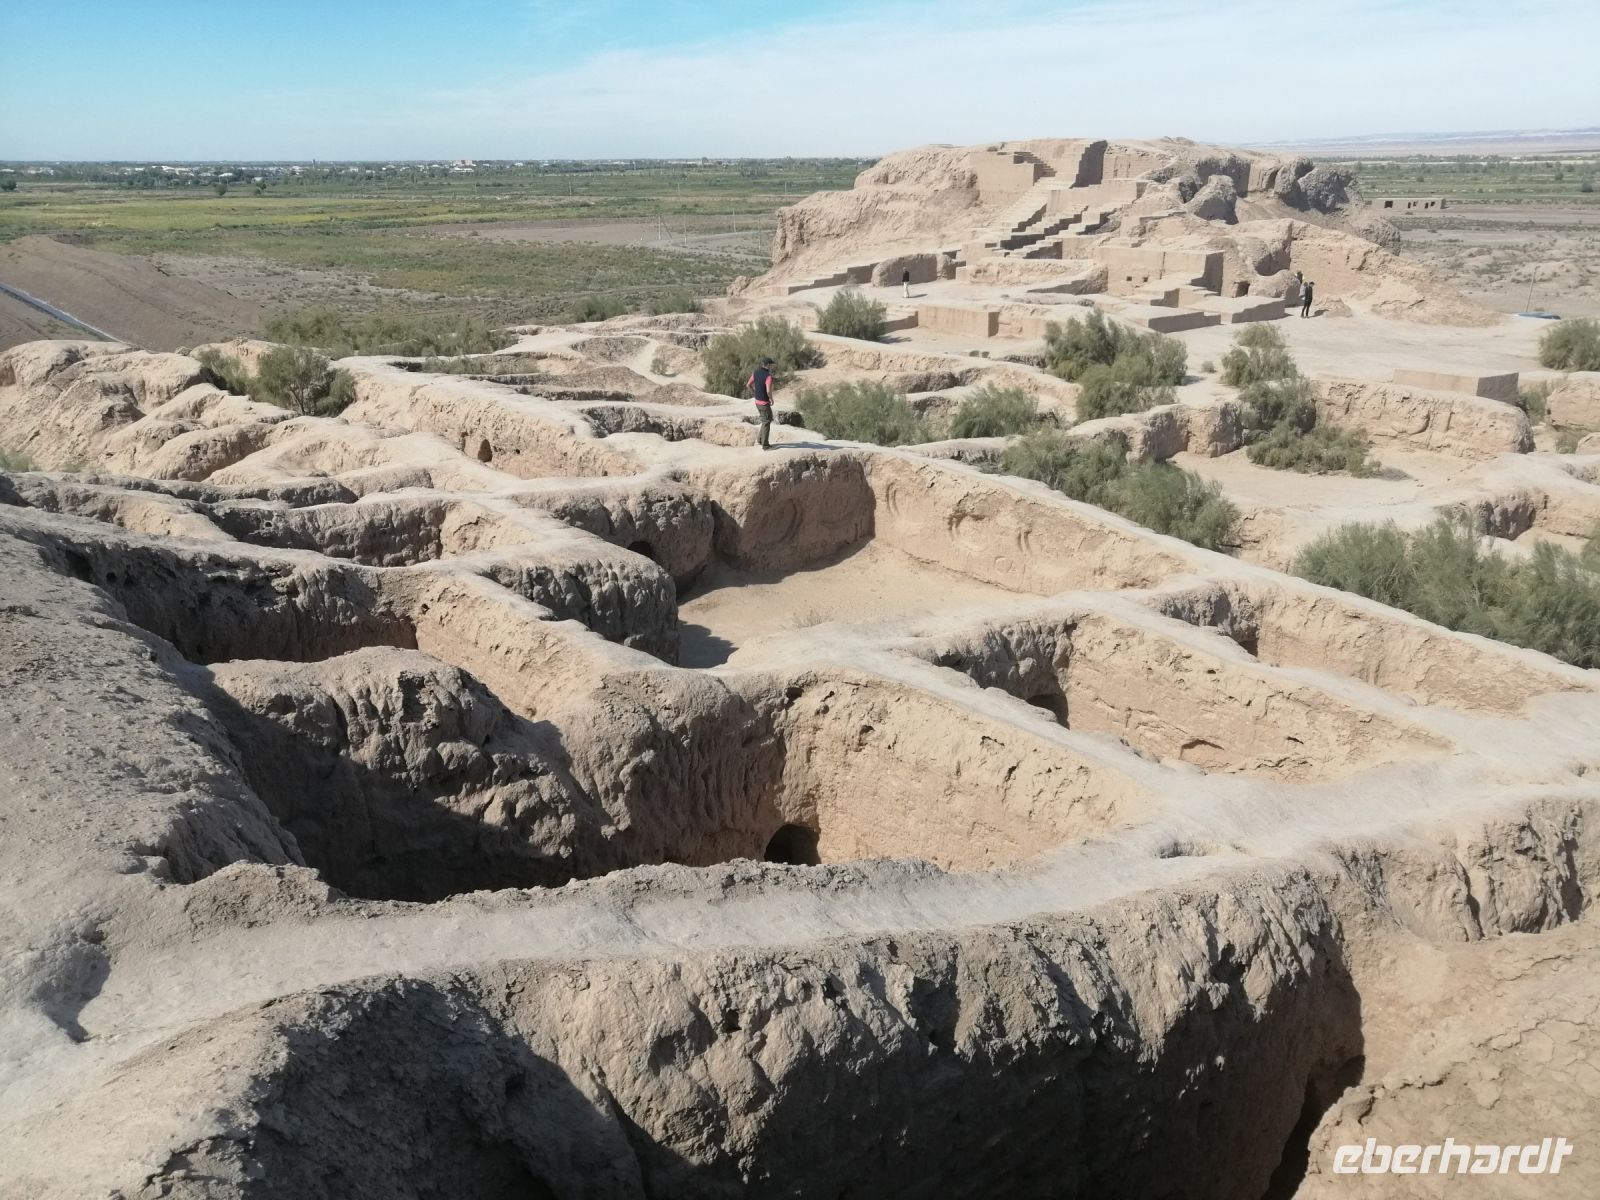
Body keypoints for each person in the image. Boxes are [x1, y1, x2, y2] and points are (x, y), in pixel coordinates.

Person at [748, 356, 776, 450]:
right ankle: (765, 445)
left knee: (767, 419)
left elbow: (748, 384)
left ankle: (760, 439)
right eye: (771, 365)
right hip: (764, 402)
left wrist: (755, 392)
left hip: (757, 401)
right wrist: (771, 399)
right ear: (767, 365)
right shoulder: (768, 376)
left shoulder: (755, 372)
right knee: (767, 421)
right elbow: (768, 391)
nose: (772, 366)